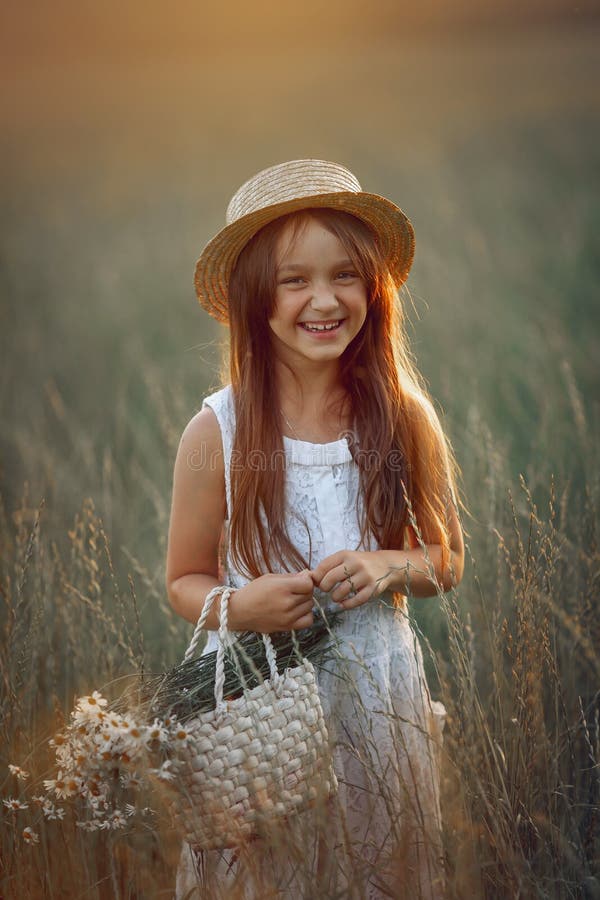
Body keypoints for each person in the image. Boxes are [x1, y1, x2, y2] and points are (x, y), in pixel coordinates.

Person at [166, 158, 465, 899]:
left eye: (345, 276)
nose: (324, 300)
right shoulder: (218, 430)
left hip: (374, 695)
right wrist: (243, 606)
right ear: (252, 297)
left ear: (376, 289)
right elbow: (183, 579)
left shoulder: (402, 416)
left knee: (376, 862)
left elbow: (445, 558)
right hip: (258, 699)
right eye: (294, 279)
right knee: (269, 875)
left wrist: (386, 567)